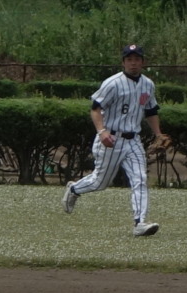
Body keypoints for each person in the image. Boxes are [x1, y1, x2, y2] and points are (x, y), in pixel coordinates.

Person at [62, 43, 167, 237]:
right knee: (100, 182)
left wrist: (158, 134)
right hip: (111, 137)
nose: (133, 63)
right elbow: (95, 109)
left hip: (133, 140)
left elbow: (151, 111)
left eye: (137, 59)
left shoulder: (148, 84)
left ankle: (140, 223)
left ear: (143, 62)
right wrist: (102, 132)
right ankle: (75, 189)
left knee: (140, 179)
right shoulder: (113, 83)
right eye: (129, 59)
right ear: (123, 62)